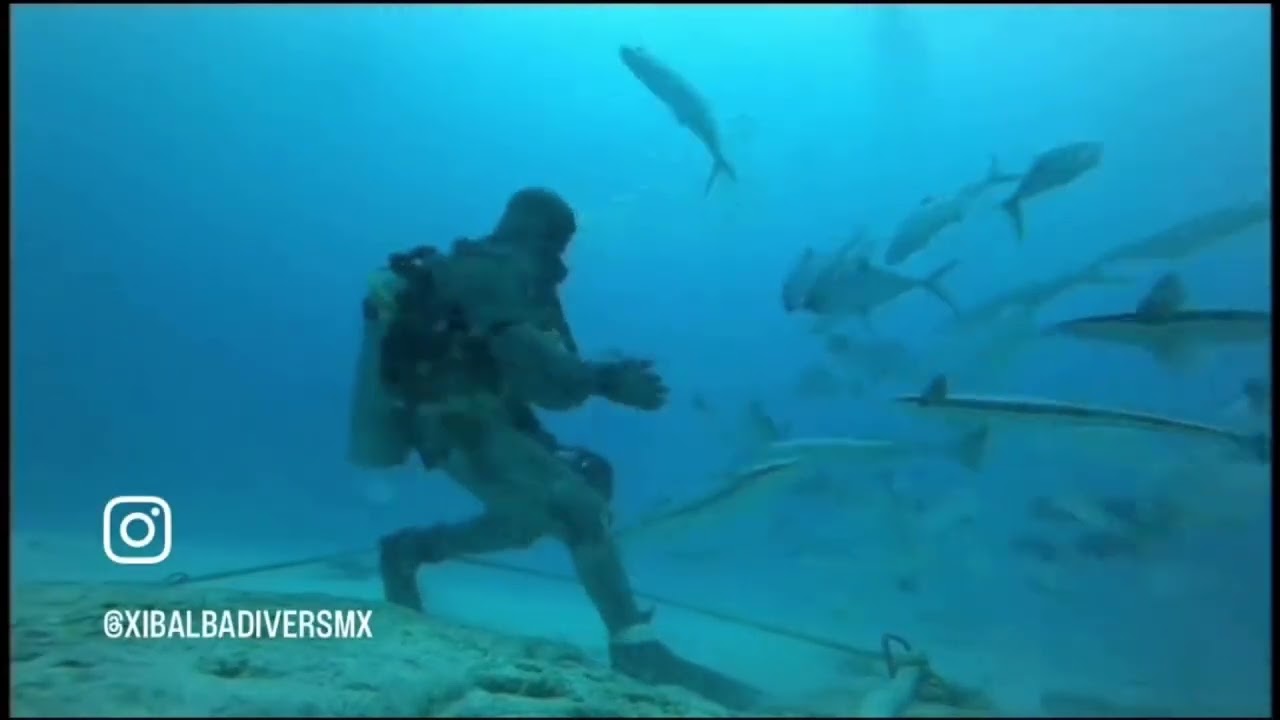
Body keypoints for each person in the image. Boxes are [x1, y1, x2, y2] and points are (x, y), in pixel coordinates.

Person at [348, 187, 763, 710]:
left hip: (491, 417)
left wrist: (594, 377)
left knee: (532, 520)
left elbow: (552, 385)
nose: (561, 259)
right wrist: (606, 379)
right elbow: (525, 352)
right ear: (537, 233)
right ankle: (636, 648)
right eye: (558, 243)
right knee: (576, 507)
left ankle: (408, 551)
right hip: (451, 420)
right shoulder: (487, 270)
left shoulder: (508, 276)